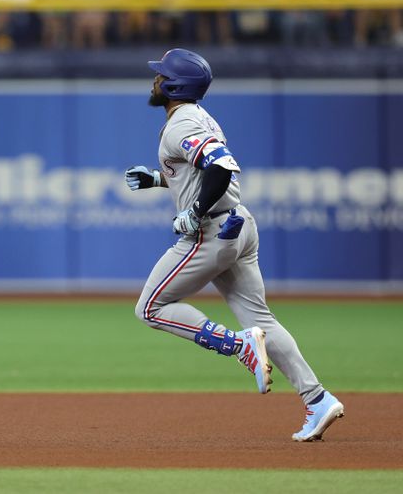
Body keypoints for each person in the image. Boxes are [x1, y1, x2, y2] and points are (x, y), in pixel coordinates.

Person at [125, 48, 344, 442]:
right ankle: (318, 399)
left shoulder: (180, 124)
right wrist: (160, 180)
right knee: (263, 321)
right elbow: (200, 168)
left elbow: (221, 167)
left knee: (149, 308)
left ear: (174, 85)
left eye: (161, 75)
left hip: (212, 232)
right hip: (239, 225)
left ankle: (238, 346)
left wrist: (194, 211)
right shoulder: (194, 116)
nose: (154, 79)